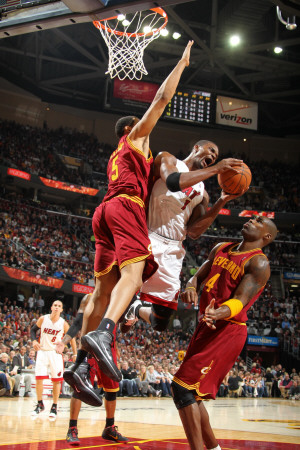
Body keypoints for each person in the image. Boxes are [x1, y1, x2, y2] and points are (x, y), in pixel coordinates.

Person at [71, 41, 195, 384]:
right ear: (131, 128)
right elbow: (161, 100)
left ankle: (80, 363)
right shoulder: (136, 137)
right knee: (134, 274)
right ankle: (104, 333)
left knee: (101, 292)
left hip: (103, 212)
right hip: (126, 207)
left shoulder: (115, 154)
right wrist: (181, 65)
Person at [170, 215, 277, 450]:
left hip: (228, 330)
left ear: (266, 237)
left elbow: (240, 300)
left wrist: (218, 313)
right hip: (206, 326)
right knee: (192, 395)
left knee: (181, 387)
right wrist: (190, 286)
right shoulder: (221, 248)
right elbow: (198, 275)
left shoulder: (259, 263)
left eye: (259, 221)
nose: (252, 220)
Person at [120, 139, 243, 334]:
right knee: (123, 288)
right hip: (148, 236)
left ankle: (136, 309)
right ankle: (109, 322)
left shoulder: (202, 193)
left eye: (216, 156)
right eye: (210, 150)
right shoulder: (168, 159)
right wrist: (216, 169)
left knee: (160, 323)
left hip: (174, 248)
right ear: (196, 148)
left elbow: (194, 232)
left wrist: (222, 200)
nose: (212, 156)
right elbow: (172, 181)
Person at [55, 294, 127, 444]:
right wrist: (64, 341)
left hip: (108, 348)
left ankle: (109, 428)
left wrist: (117, 347)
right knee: (79, 384)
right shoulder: (89, 298)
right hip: (89, 346)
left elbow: (115, 326)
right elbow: (77, 323)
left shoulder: (118, 295)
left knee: (112, 389)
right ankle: (72, 428)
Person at [30, 300, 76, 420]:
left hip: (55, 354)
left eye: (59, 306)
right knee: (39, 379)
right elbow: (32, 330)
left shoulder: (63, 323)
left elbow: (72, 338)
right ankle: (40, 404)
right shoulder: (43, 319)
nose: (56, 307)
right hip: (42, 351)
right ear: (51, 307)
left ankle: (54, 406)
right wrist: (34, 341)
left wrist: (75, 353)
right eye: (55, 305)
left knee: (56, 381)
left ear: (61, 310)